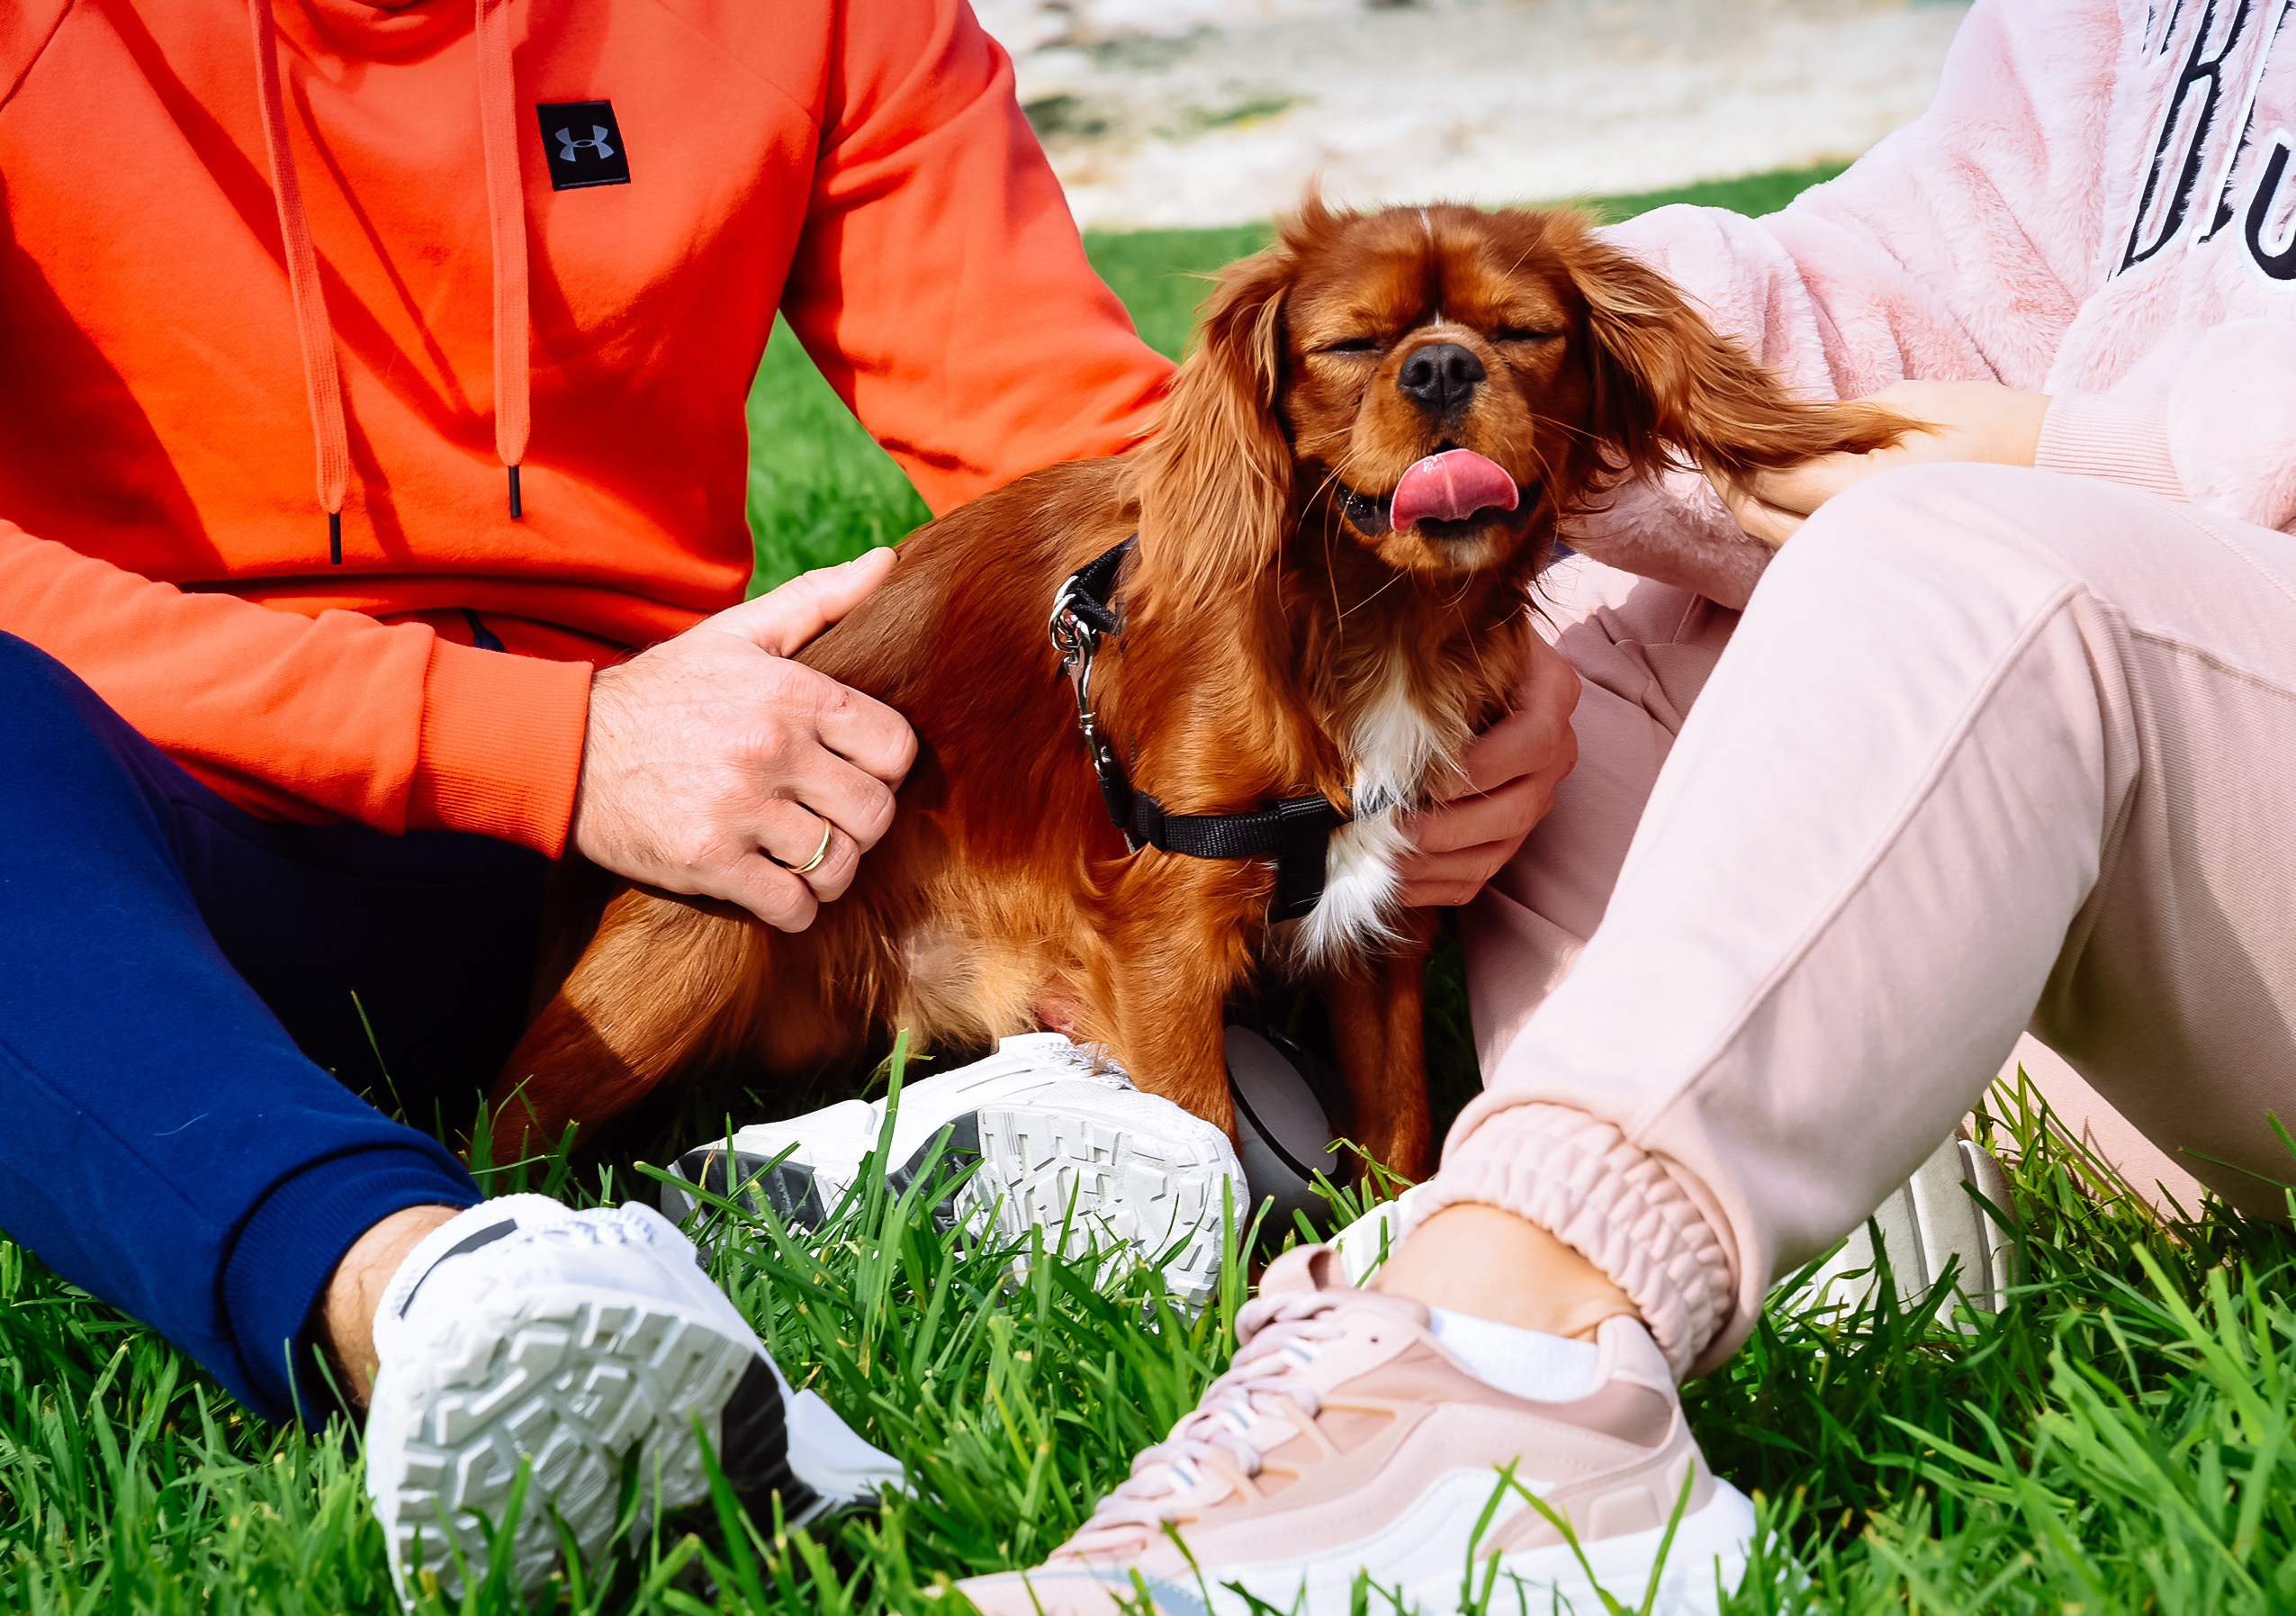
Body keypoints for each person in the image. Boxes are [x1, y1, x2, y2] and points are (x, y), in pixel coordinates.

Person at [0, 0, 1570, 1598]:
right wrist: (544, 737)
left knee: (1555, 704)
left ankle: (1617, 1191)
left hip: (734, 841)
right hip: (136, 863)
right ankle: (430, 1292)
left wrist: (1469, 633)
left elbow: (1116, 456)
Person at [958, 0, 2296, 1608]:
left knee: (1950, 555)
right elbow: (1919, 262)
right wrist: (1543, 325)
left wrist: (2090, 460)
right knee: (1572, 648)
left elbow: (2019, 492)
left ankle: (1508, 1364)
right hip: (2130, 970)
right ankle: (1795, 1304)